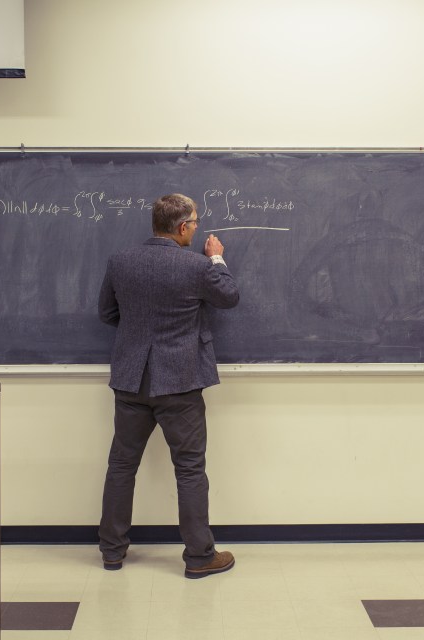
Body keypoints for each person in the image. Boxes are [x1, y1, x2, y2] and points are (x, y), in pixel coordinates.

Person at [97, 193, 239, 579]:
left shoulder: (120, 261)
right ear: (181, 227)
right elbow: (229, 297)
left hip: (130, 381)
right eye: (194, 223)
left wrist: (139, 334)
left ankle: (111, 551)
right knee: (190, 469)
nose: (196, 229)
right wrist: (217, 258)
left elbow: (107, 313)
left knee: (121, 466)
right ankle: (198, 557)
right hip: (180, 382)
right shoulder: (197, 266)